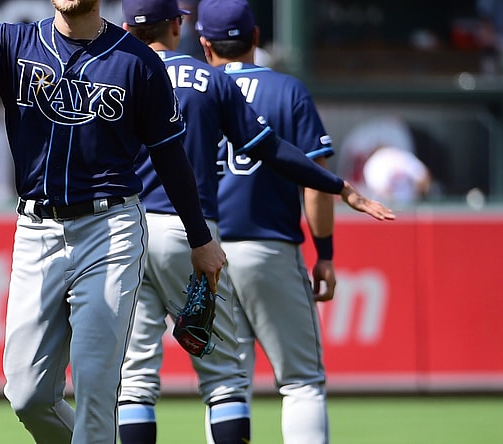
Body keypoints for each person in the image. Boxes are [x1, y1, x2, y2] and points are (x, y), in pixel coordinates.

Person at [0, 0, 229, 442]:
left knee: (95, 388)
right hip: (35, 230)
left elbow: (170, 155)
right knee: (27, 393)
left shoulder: (137, 61)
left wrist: (200, 240)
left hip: (110, 230)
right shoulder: (13, 42)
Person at [117, 1, 395, 443]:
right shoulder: (208, 79)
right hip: (192, 234)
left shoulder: (108, 74)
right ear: (177, 26)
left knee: (132, 385)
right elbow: (270, 149)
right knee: (228, 378)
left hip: (122, 233)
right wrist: (339, 186)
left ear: (127, 28)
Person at [194, 0, 359, 442]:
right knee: (302, 381)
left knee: (225, 387)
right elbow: (317, 181)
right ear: (255, 38)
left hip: (206, 252)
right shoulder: (288, 90)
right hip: (269, 247)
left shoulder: (191, 88)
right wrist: (324, 254)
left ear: (204, 44)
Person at [362, 145, 432, 206]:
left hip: (406, 206)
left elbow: (424, 178)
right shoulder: (376, 161)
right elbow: (424, 178)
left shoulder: (375, 161)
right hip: (395, 207)